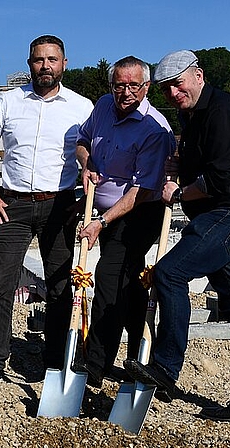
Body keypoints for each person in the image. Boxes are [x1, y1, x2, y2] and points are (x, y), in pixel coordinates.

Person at [0, 35, 93, 385]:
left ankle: (55, 360)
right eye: (39, 60)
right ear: (29, 64)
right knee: (1, 285)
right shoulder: (8, 102)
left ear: (64, 63)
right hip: (13, 205)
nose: (45, 66)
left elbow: (95, 155)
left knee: (59, 286)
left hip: (61, 205)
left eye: (52, 59)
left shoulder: (82, 108)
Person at [125, 50, 230, 415]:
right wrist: (180, 163)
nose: (173, 93)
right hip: (211, 214)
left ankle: (166, 369)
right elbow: (204, 161)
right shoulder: (192, 114)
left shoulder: (221, 113)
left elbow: (222, 178)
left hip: (224, 215)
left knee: (169, 273)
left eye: (178, 84)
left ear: (198, 75)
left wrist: (181, 192)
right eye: (167, 88)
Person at [75, 56, 175, 388]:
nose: (126, 92)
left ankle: (95, 365)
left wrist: (100, 223)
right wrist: (87, 163)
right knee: (129, 286)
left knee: (109, 275)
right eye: (119, 85)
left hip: (137, 215)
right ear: (111, 86)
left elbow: (139, 191)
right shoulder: (103, 105)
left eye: (134, 85)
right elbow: (82, 141)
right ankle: (140, 357)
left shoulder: (154, 130)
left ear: (146, 87)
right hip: (105, 211)